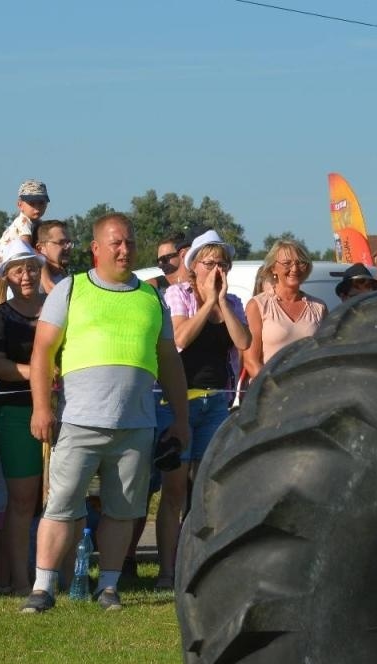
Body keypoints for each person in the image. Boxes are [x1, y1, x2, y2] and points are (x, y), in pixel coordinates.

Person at [22, 213, 189, 615]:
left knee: (124, 510)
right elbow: (42, 352)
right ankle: (43, 588)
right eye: (115, 242)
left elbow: (169, 362)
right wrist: (42, 407)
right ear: (96, 248)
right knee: (60, 505)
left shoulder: (151, 298)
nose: (124, 249)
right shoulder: (72, 289)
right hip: (80, 420)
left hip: (136, 424)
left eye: (130, 242)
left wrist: (181, 418)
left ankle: (109, 587)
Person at [156, 230, 249, 590]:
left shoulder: (234, 301)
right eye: (210, 262)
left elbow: (244, 342)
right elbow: (180, 339)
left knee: (208, 489)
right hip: (179, 401)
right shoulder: (176, 295)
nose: (217, 269)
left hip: (216, 403)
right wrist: (207, 303)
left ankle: (202, 567)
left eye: (222, 263)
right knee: (175, 488)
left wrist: (222, 302)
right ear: (193, 267)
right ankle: (167, 571)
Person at [0, 239, 48, 596]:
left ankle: (60, 577)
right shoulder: (0, 316)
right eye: (18, 269)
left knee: (58, 498)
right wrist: (37, 372)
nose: (26, 275)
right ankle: (20, 580)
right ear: (6, 275)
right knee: (22, 500)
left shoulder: (57, 309)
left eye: (32, 267)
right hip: (16, 412)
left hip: (58, 409)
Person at [242, 239, 325, 379]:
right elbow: (251, 361)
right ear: (273, 268)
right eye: (287, 263)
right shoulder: (258, 306)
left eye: (300, 263)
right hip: (270, 394)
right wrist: (273, 390)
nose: (295, 269)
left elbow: (324, 357)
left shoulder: (319, 308)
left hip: (310, 393)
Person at [0, 181, 49, 277]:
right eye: (32, 203)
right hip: (8, 267)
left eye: (41, 203)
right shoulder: (23, 222)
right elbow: (26, 250)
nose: (37, 208)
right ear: (20, 205)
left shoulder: (37, 223)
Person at [35, 220, 73, 294]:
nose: (67, 247)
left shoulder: (64, 278)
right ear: (40, 248)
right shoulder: (32, 280)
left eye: (68, 243)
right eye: (61, 243)